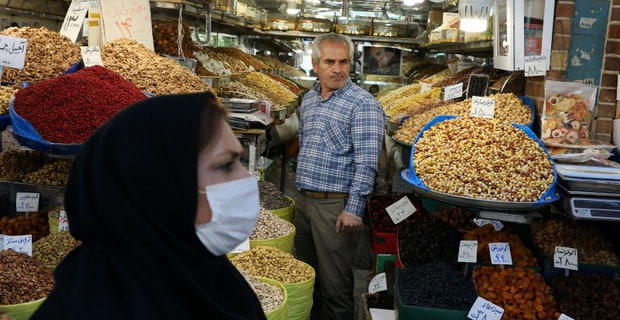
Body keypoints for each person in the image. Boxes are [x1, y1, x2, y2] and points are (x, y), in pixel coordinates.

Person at [31, 92, 266, 319]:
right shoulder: (81, 310)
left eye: (240, 161)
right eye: (225, 165)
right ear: (160, 189)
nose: (245, 178)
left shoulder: (214, 281)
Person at [293, 33, 386, 320]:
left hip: (335, 207)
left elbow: (367, 163)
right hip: (304, 202)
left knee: (335, 288)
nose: (338, 68)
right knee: (309, 279)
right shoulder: (308, 100)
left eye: (344, 62)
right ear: (315, 64)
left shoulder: (362, 104)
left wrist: (353, 209)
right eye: (330, 61)